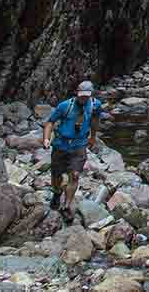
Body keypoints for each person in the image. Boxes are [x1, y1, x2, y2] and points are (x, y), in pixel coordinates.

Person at [42, 80, 103, 221]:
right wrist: (46, 139)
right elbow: (50, 122)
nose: (83, 98)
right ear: (77, 92)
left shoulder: (95, 105)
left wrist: (93, 137)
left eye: (86, 96)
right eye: (81, 95)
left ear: (91, 95)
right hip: (61, 144)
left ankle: (67, 205)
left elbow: (95, 121)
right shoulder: (65, 106)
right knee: (56, 175)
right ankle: (57, 193)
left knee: (75, 175)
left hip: (79, 145)